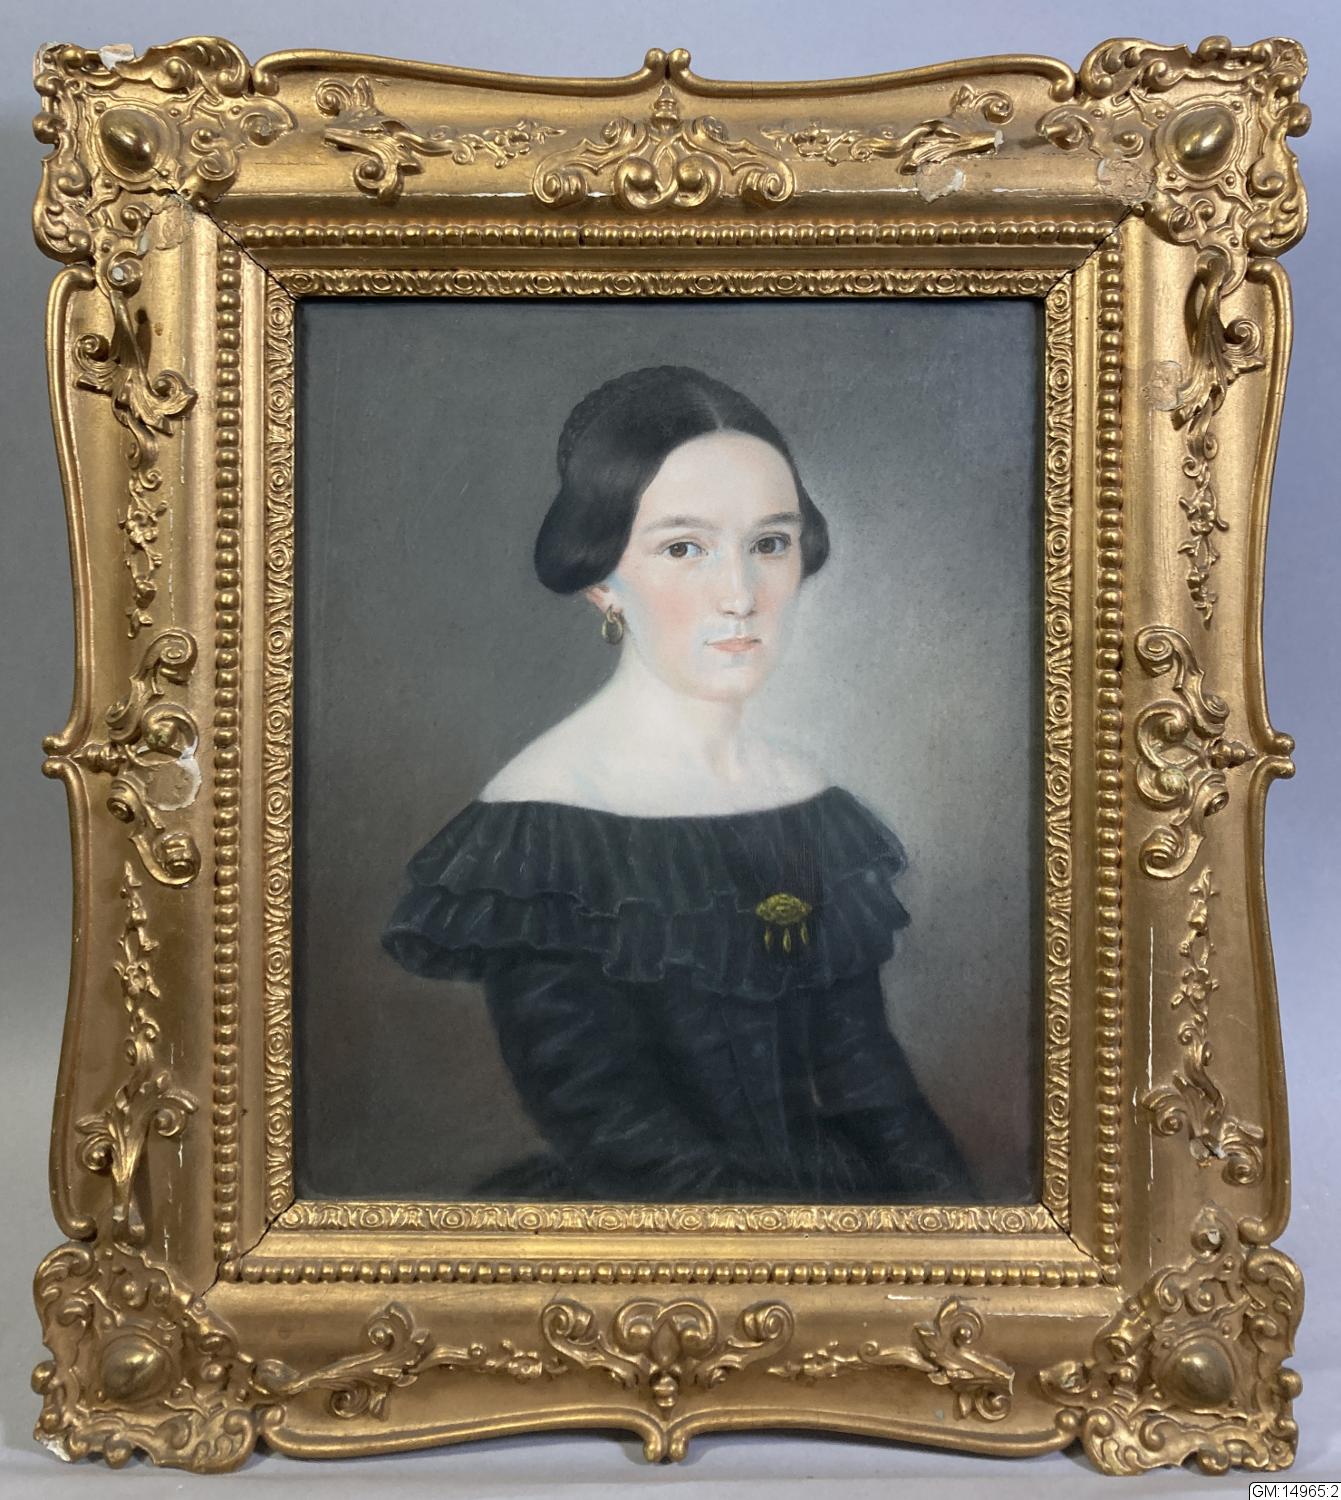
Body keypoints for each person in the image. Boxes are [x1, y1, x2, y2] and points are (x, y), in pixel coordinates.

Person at [383, 365, 973, 1203]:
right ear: (601, 579)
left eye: (768, 544)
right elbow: (615, 1132)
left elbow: (868, 1085)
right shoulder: (543, 824)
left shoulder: (804, 802)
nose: (739, 596)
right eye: (684, 548)